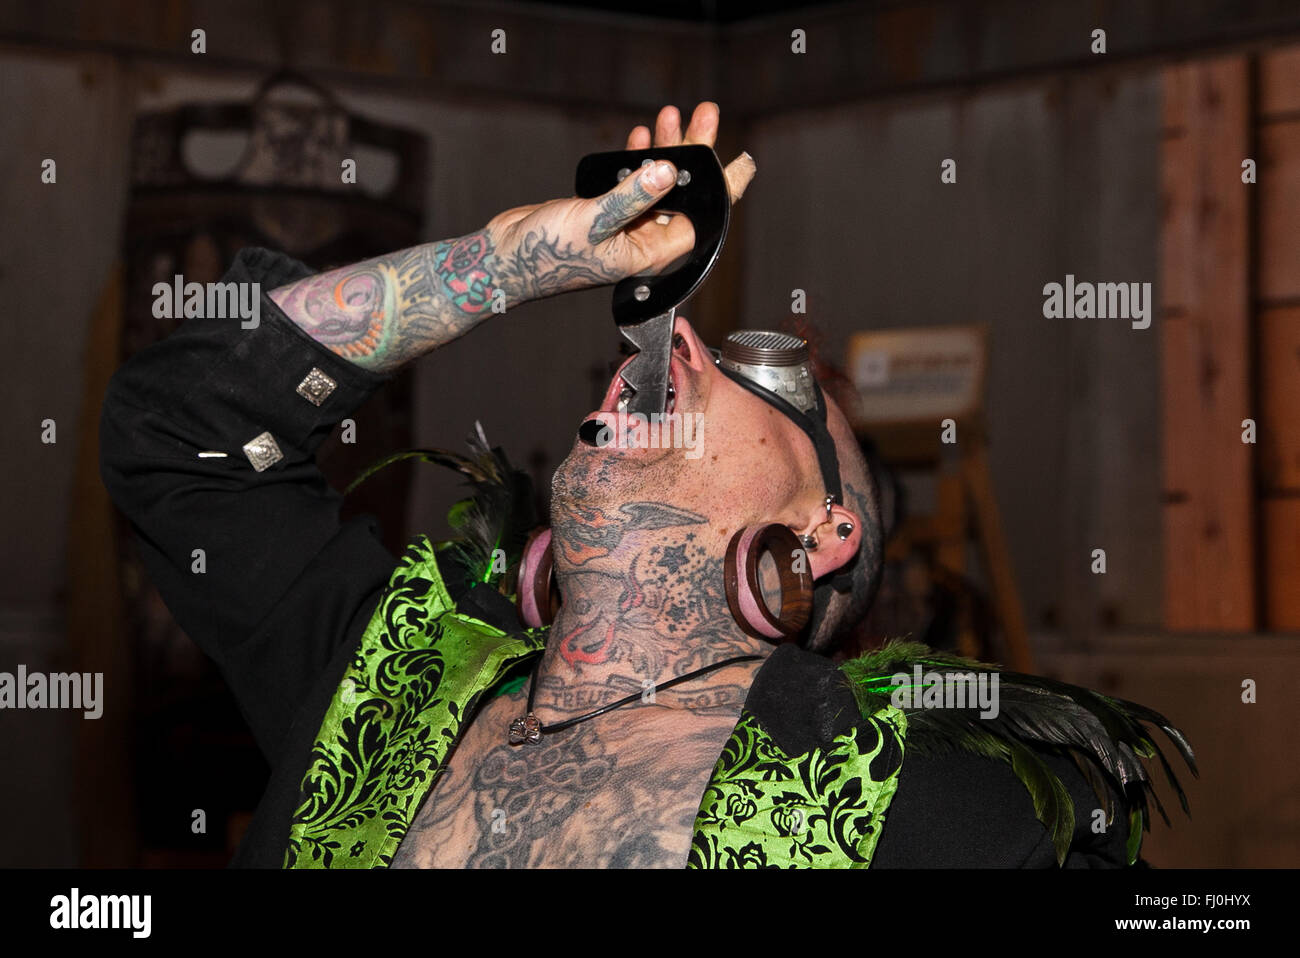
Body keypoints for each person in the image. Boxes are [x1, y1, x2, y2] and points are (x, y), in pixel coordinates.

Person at [100, 102, 1192, 869]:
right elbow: (179, 422)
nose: (671, 353)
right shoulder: (378, 679)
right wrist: (515, 260)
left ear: (824, 531)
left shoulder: (931, 823)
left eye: (765, 372)